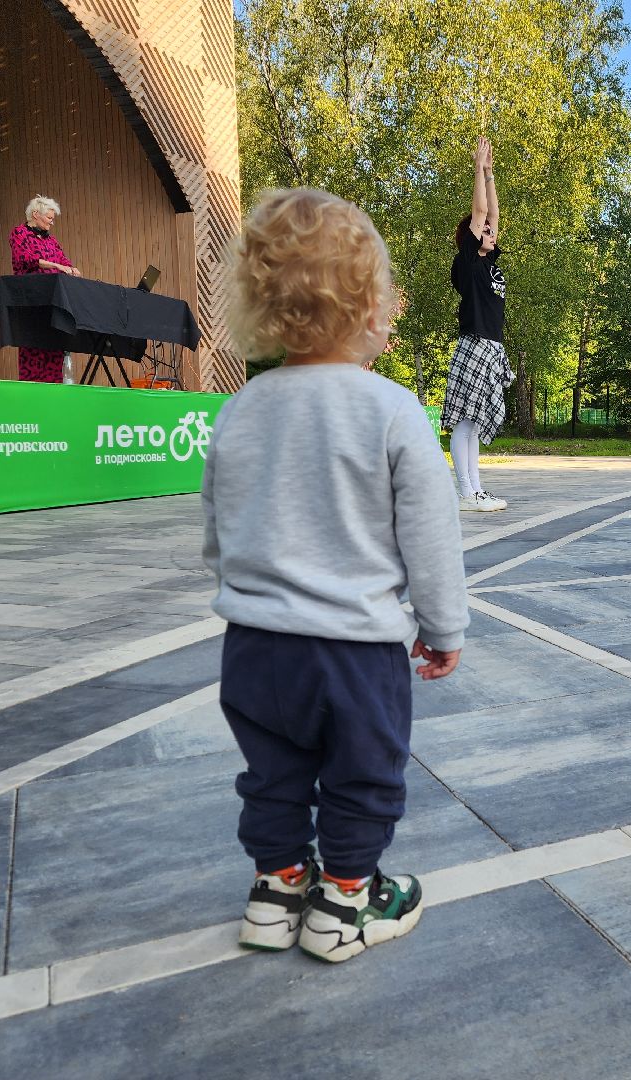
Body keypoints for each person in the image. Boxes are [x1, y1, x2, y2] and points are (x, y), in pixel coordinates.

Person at [205, 187, 468, 963]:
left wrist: (242, 587)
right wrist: (443, 626)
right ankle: (345, 903)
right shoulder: (390, 410)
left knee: (273, 775)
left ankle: (277, 888)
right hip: (353, 651)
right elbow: (431, 535)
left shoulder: (241, 407)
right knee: (362, 777)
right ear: (366, 306)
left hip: (253, 648)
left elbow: (219, 526)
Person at [443, 136, 513, 513]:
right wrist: (476, 169)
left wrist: (490, 171)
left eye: (490, 229)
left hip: (492, 348)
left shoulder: (490, 262)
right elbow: (481, 211)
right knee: (466, 425)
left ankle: (476, 490)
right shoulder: (468, 261)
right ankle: (466, 493)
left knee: (475, 425)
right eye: (483, 229)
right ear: (471, 236)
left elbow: (494, 214)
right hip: (475, 343)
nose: (490, 229)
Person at [9, 195, 80, 382]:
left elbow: (63, 260)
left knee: (53, 346)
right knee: (32, 348)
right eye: (49, 218)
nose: (52, 222)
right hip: (31, 301)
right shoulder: (19, 233)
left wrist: (71, 269)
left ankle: (54, 392)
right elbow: (25, 259)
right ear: (35, 214)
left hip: (52, 301)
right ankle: (32, 395)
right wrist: (56, 266)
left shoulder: (51, 241)